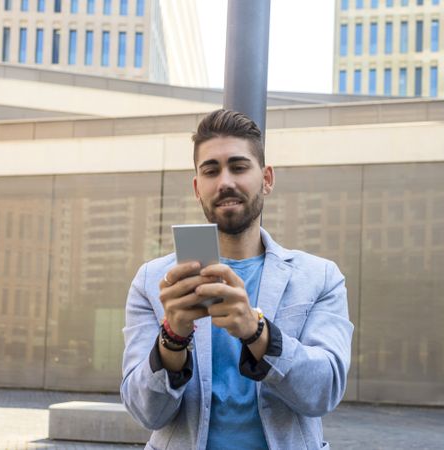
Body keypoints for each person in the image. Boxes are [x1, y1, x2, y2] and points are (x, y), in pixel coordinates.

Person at [121, 109, 353, 450]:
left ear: (267, 179)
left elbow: (324, 393)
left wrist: (257, 331)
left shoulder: (320, 277)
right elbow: (145, 413)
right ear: (198, 188)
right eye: (211, 171)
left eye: (239, 167)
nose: (225, 181)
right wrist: (172, 338)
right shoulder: (154, 281)